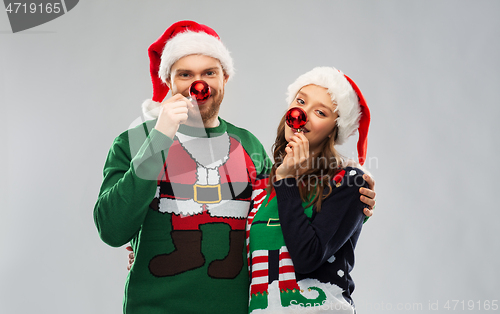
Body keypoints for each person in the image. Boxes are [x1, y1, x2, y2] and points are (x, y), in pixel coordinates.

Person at [94, 20, 376, 314]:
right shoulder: (133, 142)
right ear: (170, 82)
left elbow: (284, 216)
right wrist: (160, 137)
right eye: (185, 74)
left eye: (209, 73)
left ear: (224, 79)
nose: (198, 84)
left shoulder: (250, 147)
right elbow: (112, 230)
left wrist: (353, 198)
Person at [246, 67, 371, 313]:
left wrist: (286, 182)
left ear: (333, 130)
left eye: (320, 112)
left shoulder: (348, 182)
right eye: (301, 101)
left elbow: (307, 257)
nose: (302, 114)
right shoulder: (260, 187)